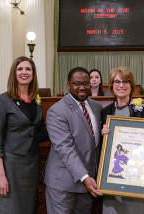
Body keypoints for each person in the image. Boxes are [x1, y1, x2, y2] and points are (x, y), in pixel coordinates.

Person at [0, 56, 49, 214]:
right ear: (14, 73)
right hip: (10, 166)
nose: (24, 72)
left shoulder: (37, 100)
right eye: (20, 69)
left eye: (28, 69)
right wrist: (0, 175)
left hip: (31, 166)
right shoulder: (3, 100)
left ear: (33, 74)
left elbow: (39, 133)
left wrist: (64, 128)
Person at [101, 66, 144, 214]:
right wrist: (104, 136)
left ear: (131, 85)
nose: (121, 85)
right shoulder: (105, 113)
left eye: (125, 82)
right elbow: (101, 148)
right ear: (111, 86)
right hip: (112, 179)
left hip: (136, 178)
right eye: (117, 82)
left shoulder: (142, 111)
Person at [44, 67, 103, 214]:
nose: (82, 87)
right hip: (63, 185)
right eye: (77, 83)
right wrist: (85, 177)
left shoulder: (97, 107)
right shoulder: (56, 111)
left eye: (86, 83)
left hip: (89, 184)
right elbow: (65, 148)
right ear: (68, 85)